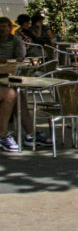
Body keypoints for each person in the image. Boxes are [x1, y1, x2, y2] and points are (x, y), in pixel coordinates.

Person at [0, 16, 39, 151]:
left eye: (4, 26)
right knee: (10, 94)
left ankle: (30, 135)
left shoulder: (15, 40)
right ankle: (2, 135)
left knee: (19, 95)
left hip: (4, 77)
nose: (2, 29)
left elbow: (20, 57)